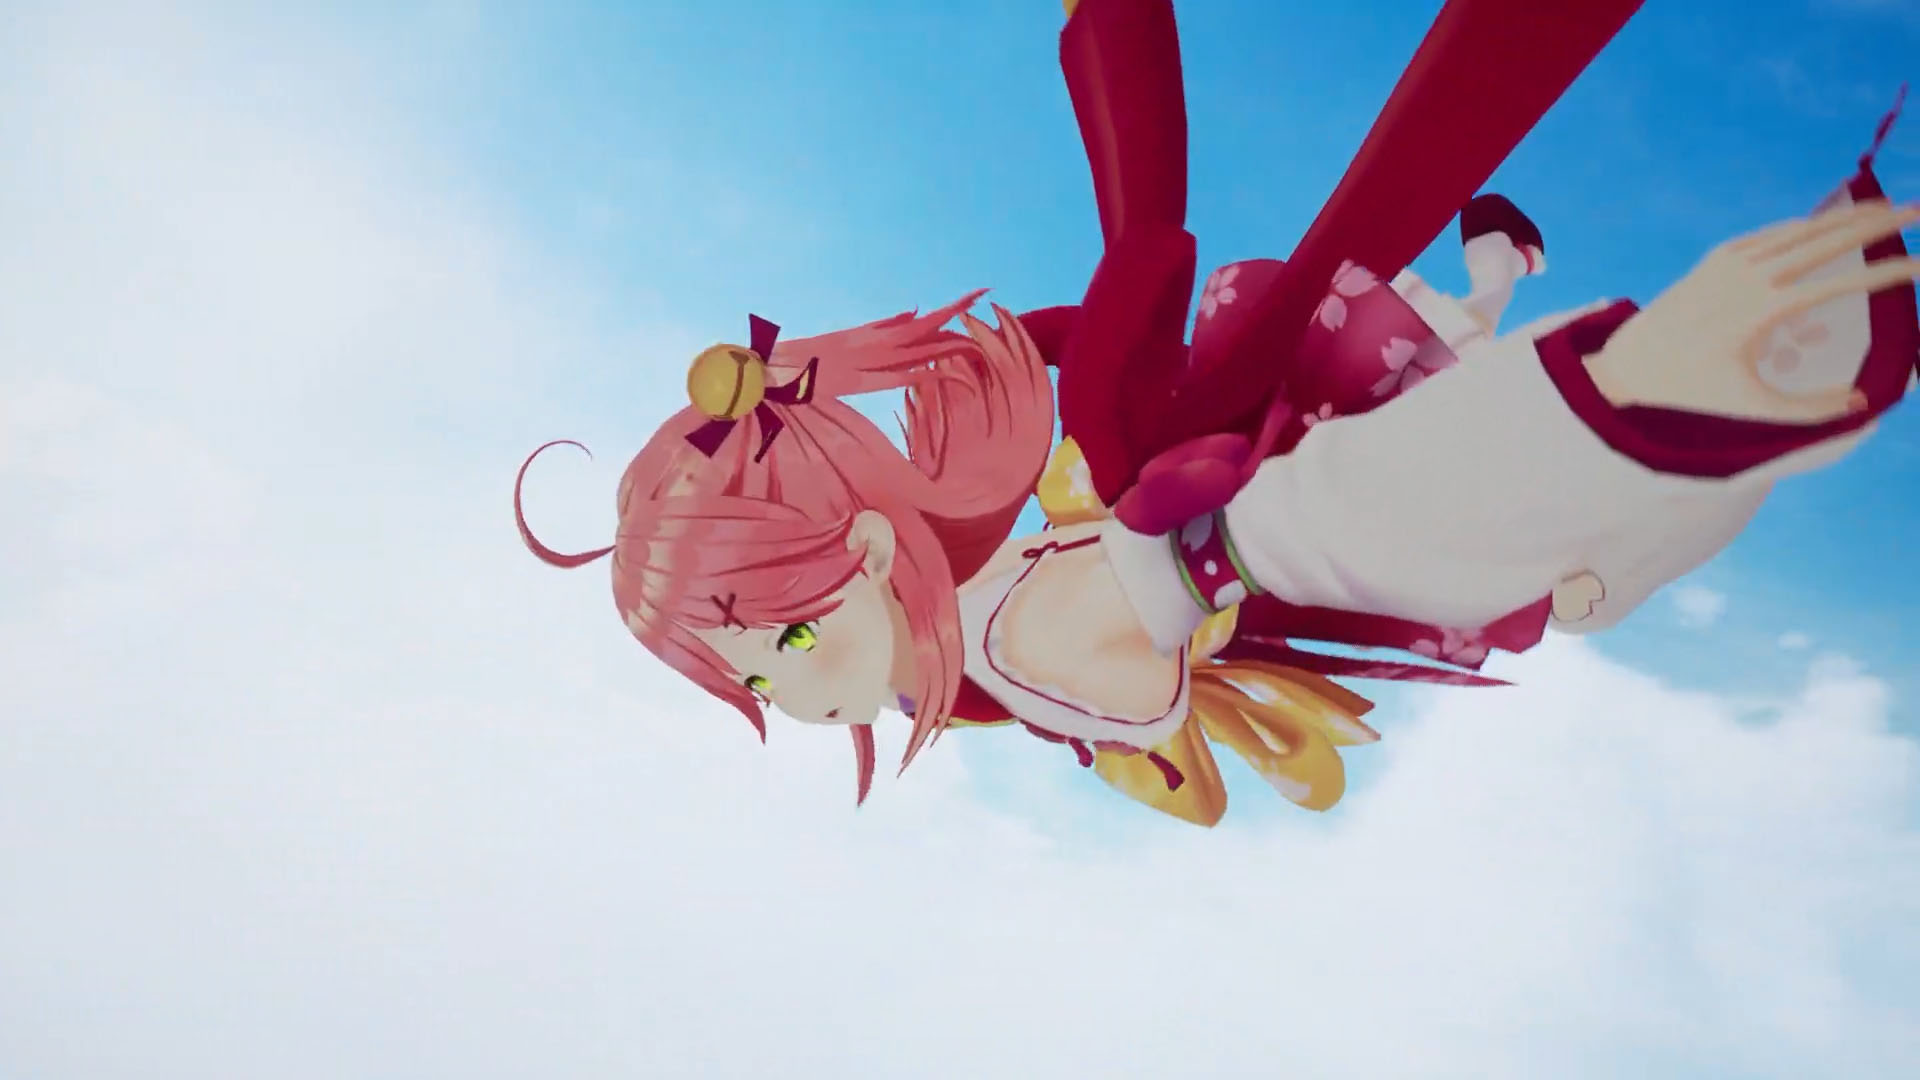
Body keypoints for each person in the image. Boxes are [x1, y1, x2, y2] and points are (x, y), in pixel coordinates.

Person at [515, 0, 1920, 816]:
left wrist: (1119, 452)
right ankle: (1554, 317)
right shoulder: (988, 644)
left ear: (870, 549)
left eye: (786, 638)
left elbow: (1194, 541)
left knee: (1445, 452)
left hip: (1280, 499)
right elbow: (1157, 642)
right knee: (1454, 445)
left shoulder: (1009, 626)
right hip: (1270, 506)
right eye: (758, 680)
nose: (794, 695)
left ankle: (1606, 348)